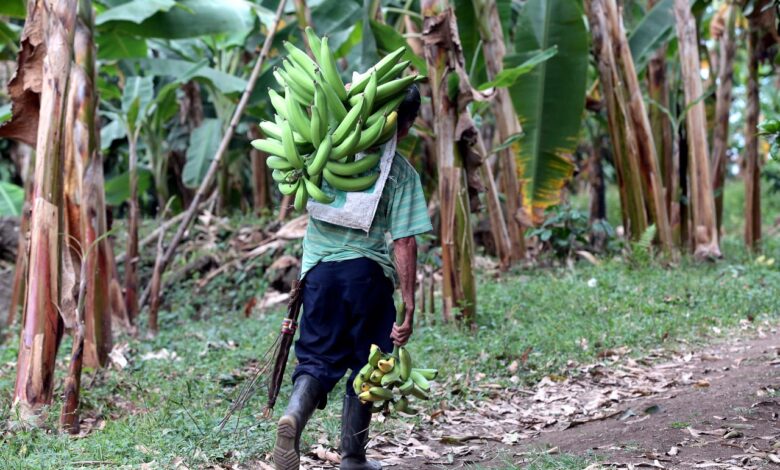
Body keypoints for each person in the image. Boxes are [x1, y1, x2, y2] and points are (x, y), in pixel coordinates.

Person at [273, 85, 431, 470]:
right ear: (405, 125)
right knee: (369, 363)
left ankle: (293, 415)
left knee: (315, 358)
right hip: (367, 276)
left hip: (318, 276)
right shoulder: (400, 173)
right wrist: (408, 303)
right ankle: (353, 457)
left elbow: (289, 186)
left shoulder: (319, 156)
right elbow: (405, 243)